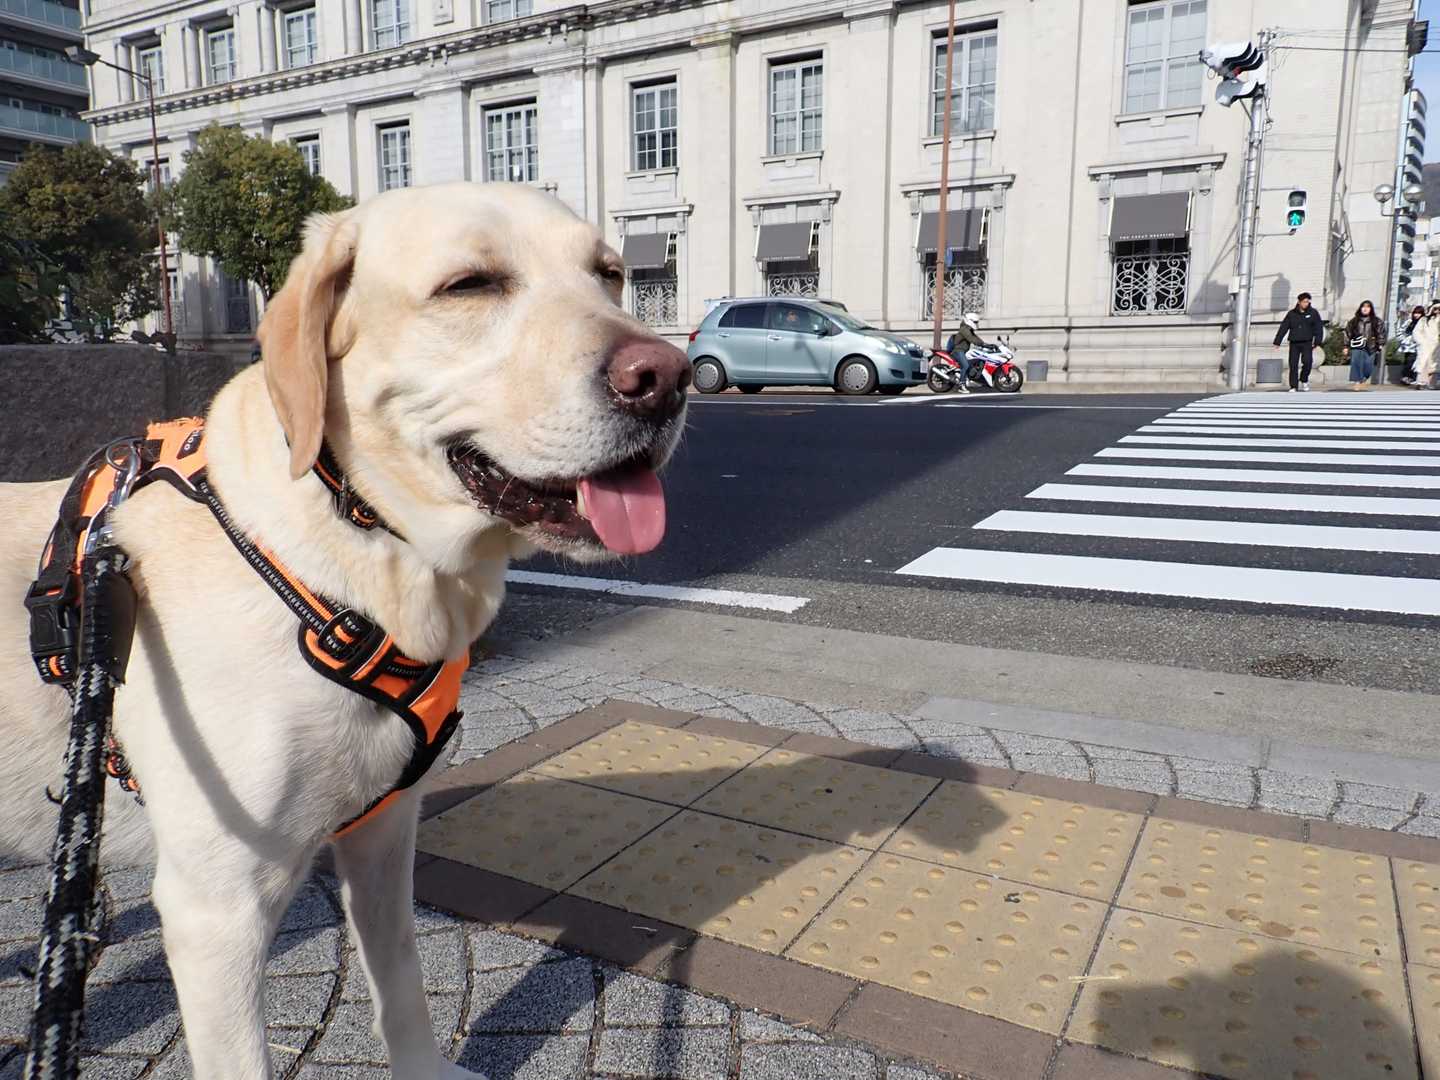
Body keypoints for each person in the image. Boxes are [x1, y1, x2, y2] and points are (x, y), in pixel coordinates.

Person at [1273, 292, 1326, 392]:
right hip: (1294, 342)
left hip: (1307, 342)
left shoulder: (1313, 313)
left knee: (1308, 362)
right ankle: (1293, 386)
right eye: (1304, 302)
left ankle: (1304, 379)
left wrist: (1317, 341)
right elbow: (1284, 327)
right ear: (1299, 302)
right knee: (1293, 364)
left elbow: (1318, 327)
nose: (1306, 304)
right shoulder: (1292, 314)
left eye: (1308, 302)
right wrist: (1277, 341)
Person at [1342, 300, 1386, 391]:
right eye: (1363, 307)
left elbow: (1381, 333)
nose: (1365, 309)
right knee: (1355, 363)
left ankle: (1364, 378)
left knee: (1368, 364)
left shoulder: (1377, 321)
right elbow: (1347, 333)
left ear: (1371, 309)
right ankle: (1357, 382)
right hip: (1357, 345)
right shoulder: (1354, 321)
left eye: (1368, 307)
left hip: (1371, 345)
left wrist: (1380, 343)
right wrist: (1346, 346)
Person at [944, 313, 992, 393]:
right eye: (975, 322)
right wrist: (983, 344)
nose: (976, 324)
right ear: (970, 321)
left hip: (963, 351)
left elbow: (976, 338)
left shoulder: (969, 329)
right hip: (958, 351)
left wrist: (986, 345)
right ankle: (961, 385)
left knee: (977, 361)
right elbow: (972, 339)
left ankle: (974, 379)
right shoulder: (964, 329)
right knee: (965, 365)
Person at [1414, 301, 1440, 390]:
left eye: (1439, 309)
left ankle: (1432, 383)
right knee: (1423, 363)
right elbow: (1416, 332)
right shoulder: (1424, 320)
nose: (1437, 311)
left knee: (1435, 365)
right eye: (1435, 309)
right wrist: (1422, 342)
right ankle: (1420, 382)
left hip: (1437, 346)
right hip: (1426, 345)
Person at [1399, 305, 1425, 385]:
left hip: (1420, 345)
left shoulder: (1424, 322)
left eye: (1419, 313)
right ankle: (1406, 377)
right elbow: (1401, 331)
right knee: (1409, 361)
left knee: (1416, 362)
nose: (1416, 315)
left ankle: (1412, 378)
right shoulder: (1409, 322)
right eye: (1415, 313)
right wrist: (1404, 340)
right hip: (1409, 346)